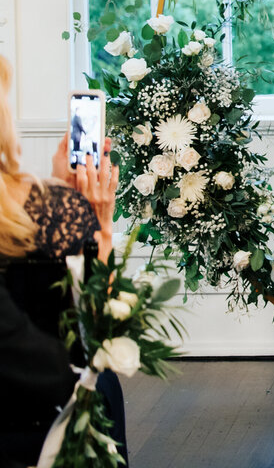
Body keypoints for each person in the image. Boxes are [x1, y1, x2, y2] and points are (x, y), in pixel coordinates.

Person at [0, 55, 123, 465]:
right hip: (40, 424)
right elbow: (99, 323)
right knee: (101, 380)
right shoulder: (48, 210)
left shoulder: (46, 204)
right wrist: (96, 220)